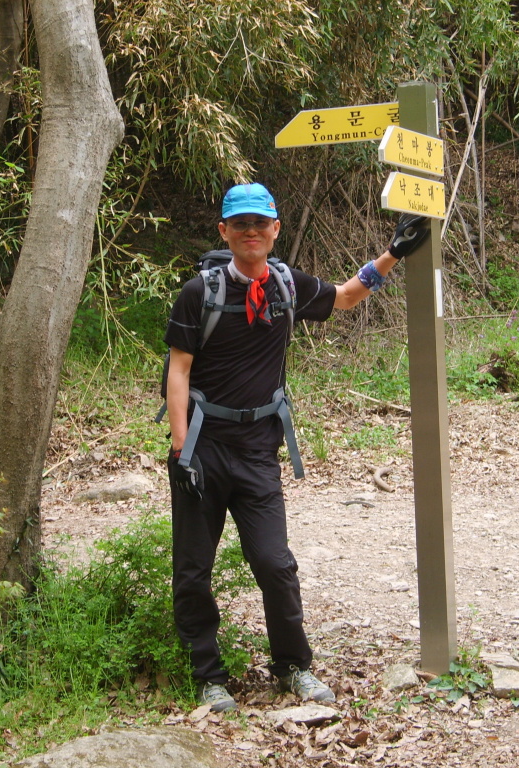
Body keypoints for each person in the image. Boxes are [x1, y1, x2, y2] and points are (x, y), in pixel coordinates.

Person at [164, 182, 428, 712]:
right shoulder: (201, 293)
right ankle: (209, 677)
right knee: (193, 569)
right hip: (203, 448)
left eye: (260, 223)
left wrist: (393, 254)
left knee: (275, 563)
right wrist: (179, 450)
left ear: (275, 230)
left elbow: (347, 295)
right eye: (240, 224)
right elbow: (179, 370)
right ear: (225, 232)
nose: (251, 232)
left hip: (258, 450)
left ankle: (292, 667)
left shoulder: (286, 284)